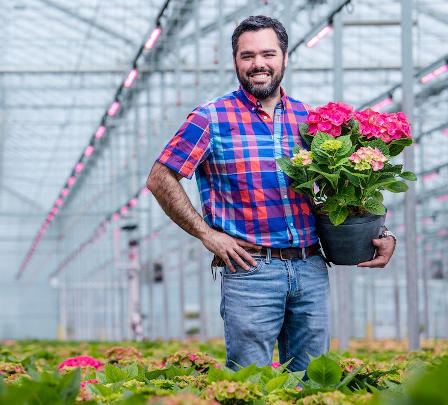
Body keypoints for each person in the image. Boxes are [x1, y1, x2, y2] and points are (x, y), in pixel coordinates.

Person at [145, 15, 396, 372]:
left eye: (268, 54)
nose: (258, 64)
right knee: (251, 381)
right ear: (235, 61)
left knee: (313, 380)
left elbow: (345, 191)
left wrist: (382, 234)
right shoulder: (210, 118)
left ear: (285, 58)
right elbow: (160, 178)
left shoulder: (311, 120)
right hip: (250, 270)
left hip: (310, 266)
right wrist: (208, 235)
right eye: (247, 56)